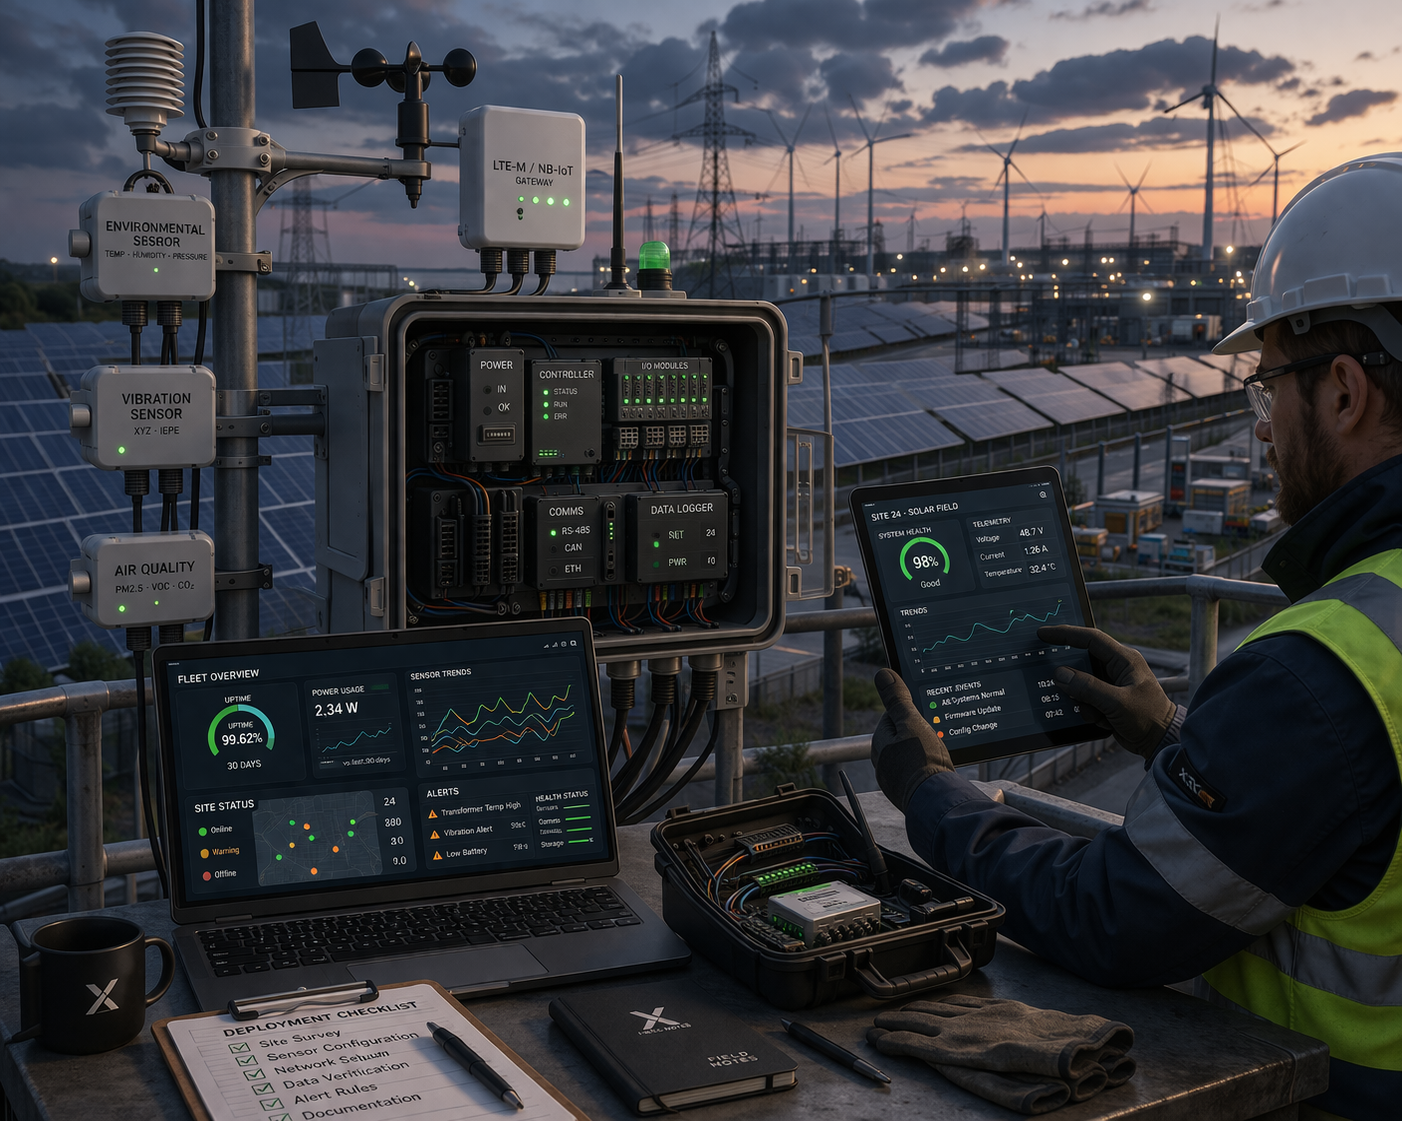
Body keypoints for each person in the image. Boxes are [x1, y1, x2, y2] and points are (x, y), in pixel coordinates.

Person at [870, 154, 1402, 1121]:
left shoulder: (1328, 670)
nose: (1264, 427)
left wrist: (932, 795)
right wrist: (1175, 741)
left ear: (1342, 392)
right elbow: (1347, 810)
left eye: (1267, 384)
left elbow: (1113, 912)